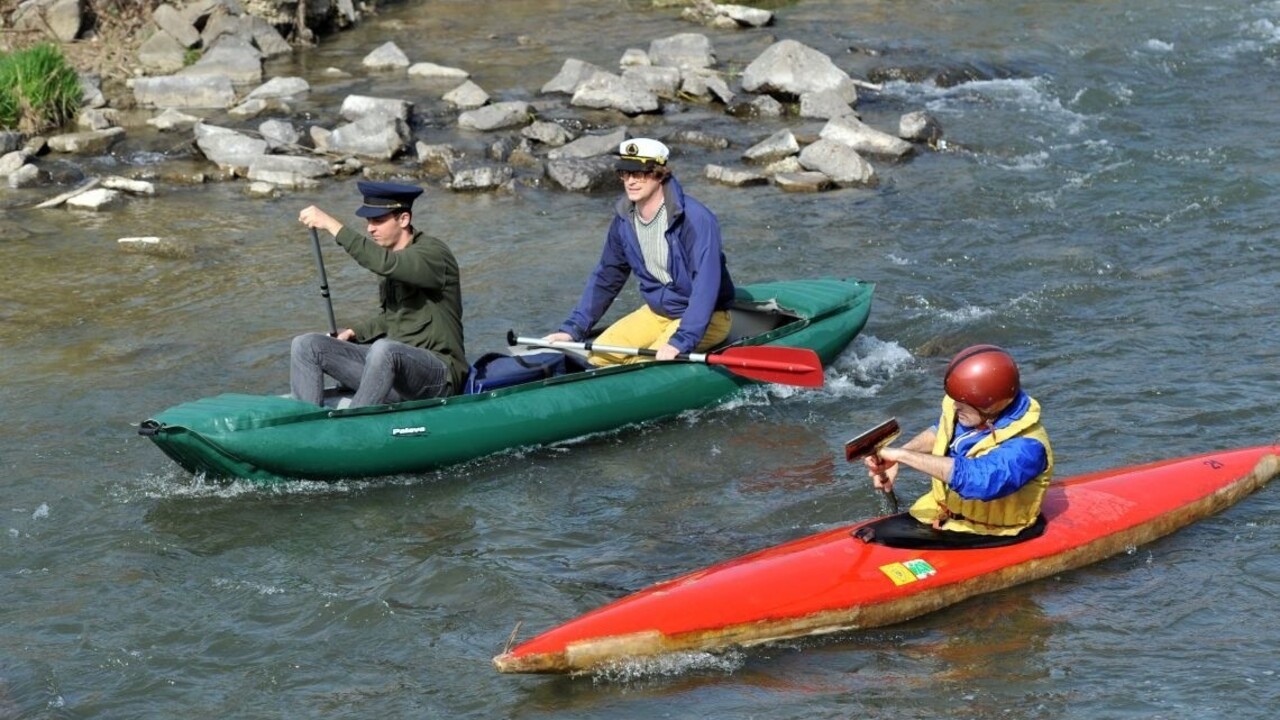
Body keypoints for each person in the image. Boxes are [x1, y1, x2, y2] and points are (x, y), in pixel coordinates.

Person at [544, 138, 736, 365]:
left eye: (639, 173)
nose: (630, 181)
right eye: (625, 173)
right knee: (599, 357)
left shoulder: (695, 219)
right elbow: (607, 276)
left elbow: (705, 284)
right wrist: (573, 328)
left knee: (643, 364)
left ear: (659, 173)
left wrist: (680, 341)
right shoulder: (624, 220)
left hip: (709, 317)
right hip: (657, 313)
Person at [290, 180, 467, 407]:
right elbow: (392, 318)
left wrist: (331, 225)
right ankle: (307, 419)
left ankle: (354, 422)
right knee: (306, 345)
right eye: (368, 221)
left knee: (384, 349)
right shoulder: (391, 259)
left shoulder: (433, 254)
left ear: (404, 219)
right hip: (396, 373)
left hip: (439, 375)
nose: (370, 228)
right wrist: (354, 332)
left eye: (378, 221)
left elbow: (385, 264)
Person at [865, 344, 1053, 537]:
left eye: (962, 404)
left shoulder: (1027, 447)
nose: (955, 407)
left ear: (989, 405)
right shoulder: (972, 411)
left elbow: (979, 480)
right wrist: (899, 456)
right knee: (869, 534)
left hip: (990, 530)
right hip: (945, 513)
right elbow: (942, 432)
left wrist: (903, 456)